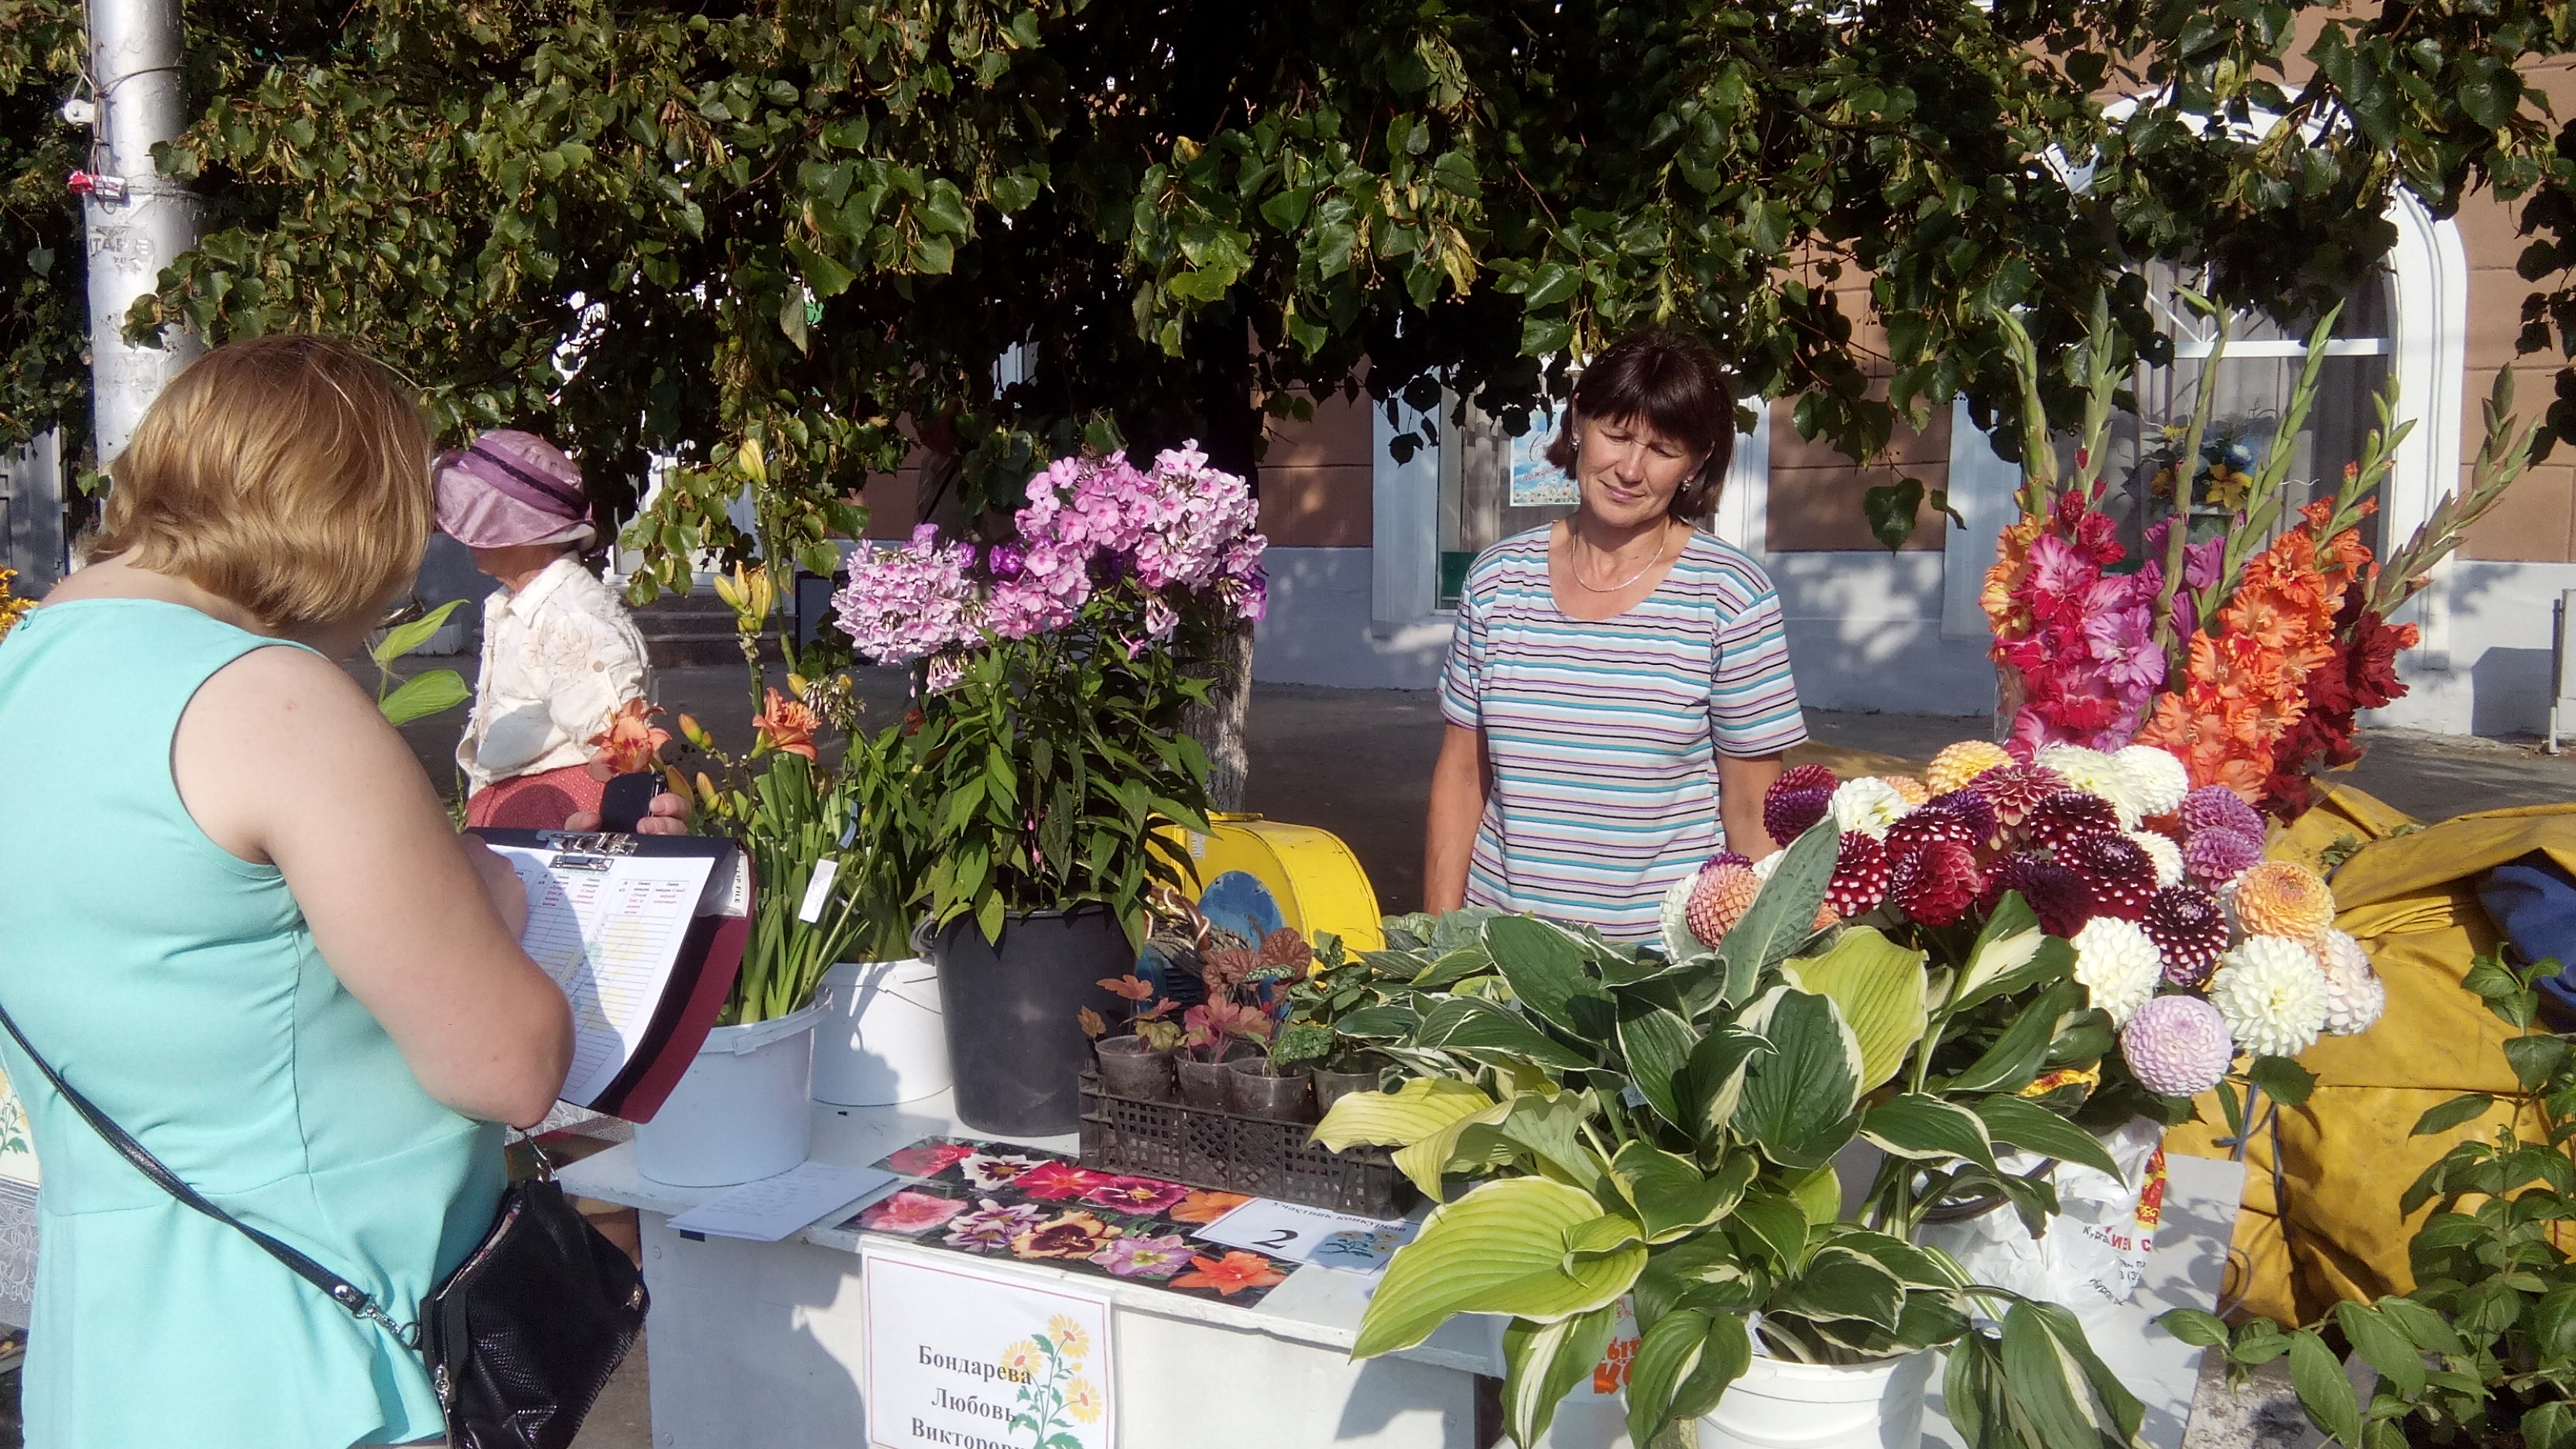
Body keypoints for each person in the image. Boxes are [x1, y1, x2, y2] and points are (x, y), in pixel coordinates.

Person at [0, 335, 584, 1448]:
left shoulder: (25, 670)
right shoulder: (268, 697)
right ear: (349, 520)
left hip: (110, 1367)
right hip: (320, 1369)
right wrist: (496, 888)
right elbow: (509, 1066)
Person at [1424, 327, 1807, 942]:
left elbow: (1750, 810)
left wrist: (1754, 964)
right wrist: (1436, 945)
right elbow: (1462, 778)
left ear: (1696, 462)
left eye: (1663, 449)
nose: (1630, 469)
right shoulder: (1497, 581)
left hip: (1658, 972)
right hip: (1497, 959)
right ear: (1579, 421)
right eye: (1618, 434)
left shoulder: (1731, 597)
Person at [435, 430, 653, 830]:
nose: (468, 535)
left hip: (560, 816)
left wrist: (598, 841)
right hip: (521, 812)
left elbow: (623, 754)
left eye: (484, 519)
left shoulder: (571, 618)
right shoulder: (522, 603)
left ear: (527, 532)